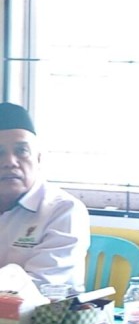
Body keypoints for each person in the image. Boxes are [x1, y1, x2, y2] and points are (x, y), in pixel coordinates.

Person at [0, 103, 89, 292]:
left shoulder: (64, 210)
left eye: (21, 151)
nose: (10, 162)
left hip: (45, 310)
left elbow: (41, 285)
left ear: (38, 158)